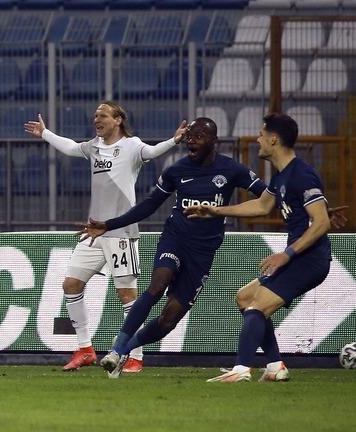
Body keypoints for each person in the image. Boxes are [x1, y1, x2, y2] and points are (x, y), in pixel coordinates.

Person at [80, 118, 268, 379]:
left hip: (203, 253)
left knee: (169, 320)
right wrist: (109, 225)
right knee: (157, 285)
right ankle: (116, 349)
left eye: (199, 135)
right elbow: (149, 205)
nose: (191, 139)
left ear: (214, 141)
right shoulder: (175, 171)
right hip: (175, 239)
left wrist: (316, 210)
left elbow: (268, 195)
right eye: (190, 135)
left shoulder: (231, 169)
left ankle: (127, 348)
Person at [25, 101, 187, 373]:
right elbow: (70, 147)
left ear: (118, 120)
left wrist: (173, 140)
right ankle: (85, 349)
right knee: (71, 284)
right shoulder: (93, 146)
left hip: (120, 231)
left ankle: (135, 355)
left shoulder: (132, 146)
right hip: (93, 231)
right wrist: (45, 133)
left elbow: (152, 151)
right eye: (95, 115)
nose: (96, 119)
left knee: (126, 294)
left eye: (102, 115)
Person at [186, 114, 333, 383]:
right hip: (300, 257)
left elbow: (322, 222)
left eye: (261, 134)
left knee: (257, 308)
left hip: (309, 259)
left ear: (274, 139)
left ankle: (241, 369)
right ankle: (275, 366)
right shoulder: (282, 175)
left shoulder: (303, 174)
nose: (257, 139)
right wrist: (216, 211)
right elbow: (262, 206)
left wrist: (286, 254)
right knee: (245, 298)